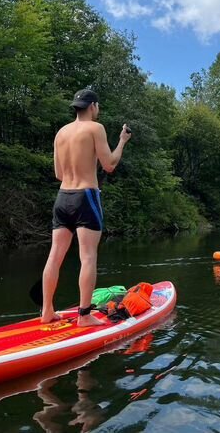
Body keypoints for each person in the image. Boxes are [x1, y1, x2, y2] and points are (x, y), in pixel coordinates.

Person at [41, 88, 131, 327]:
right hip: (86, 197)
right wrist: (122, 142)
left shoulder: (61, 133)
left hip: (62, 198)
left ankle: (47, 311)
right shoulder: (95, 128)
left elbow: (59, 174)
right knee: (88, 257)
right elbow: (109, 164)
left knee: (55, 256)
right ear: (93, 106)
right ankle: (84, 316)